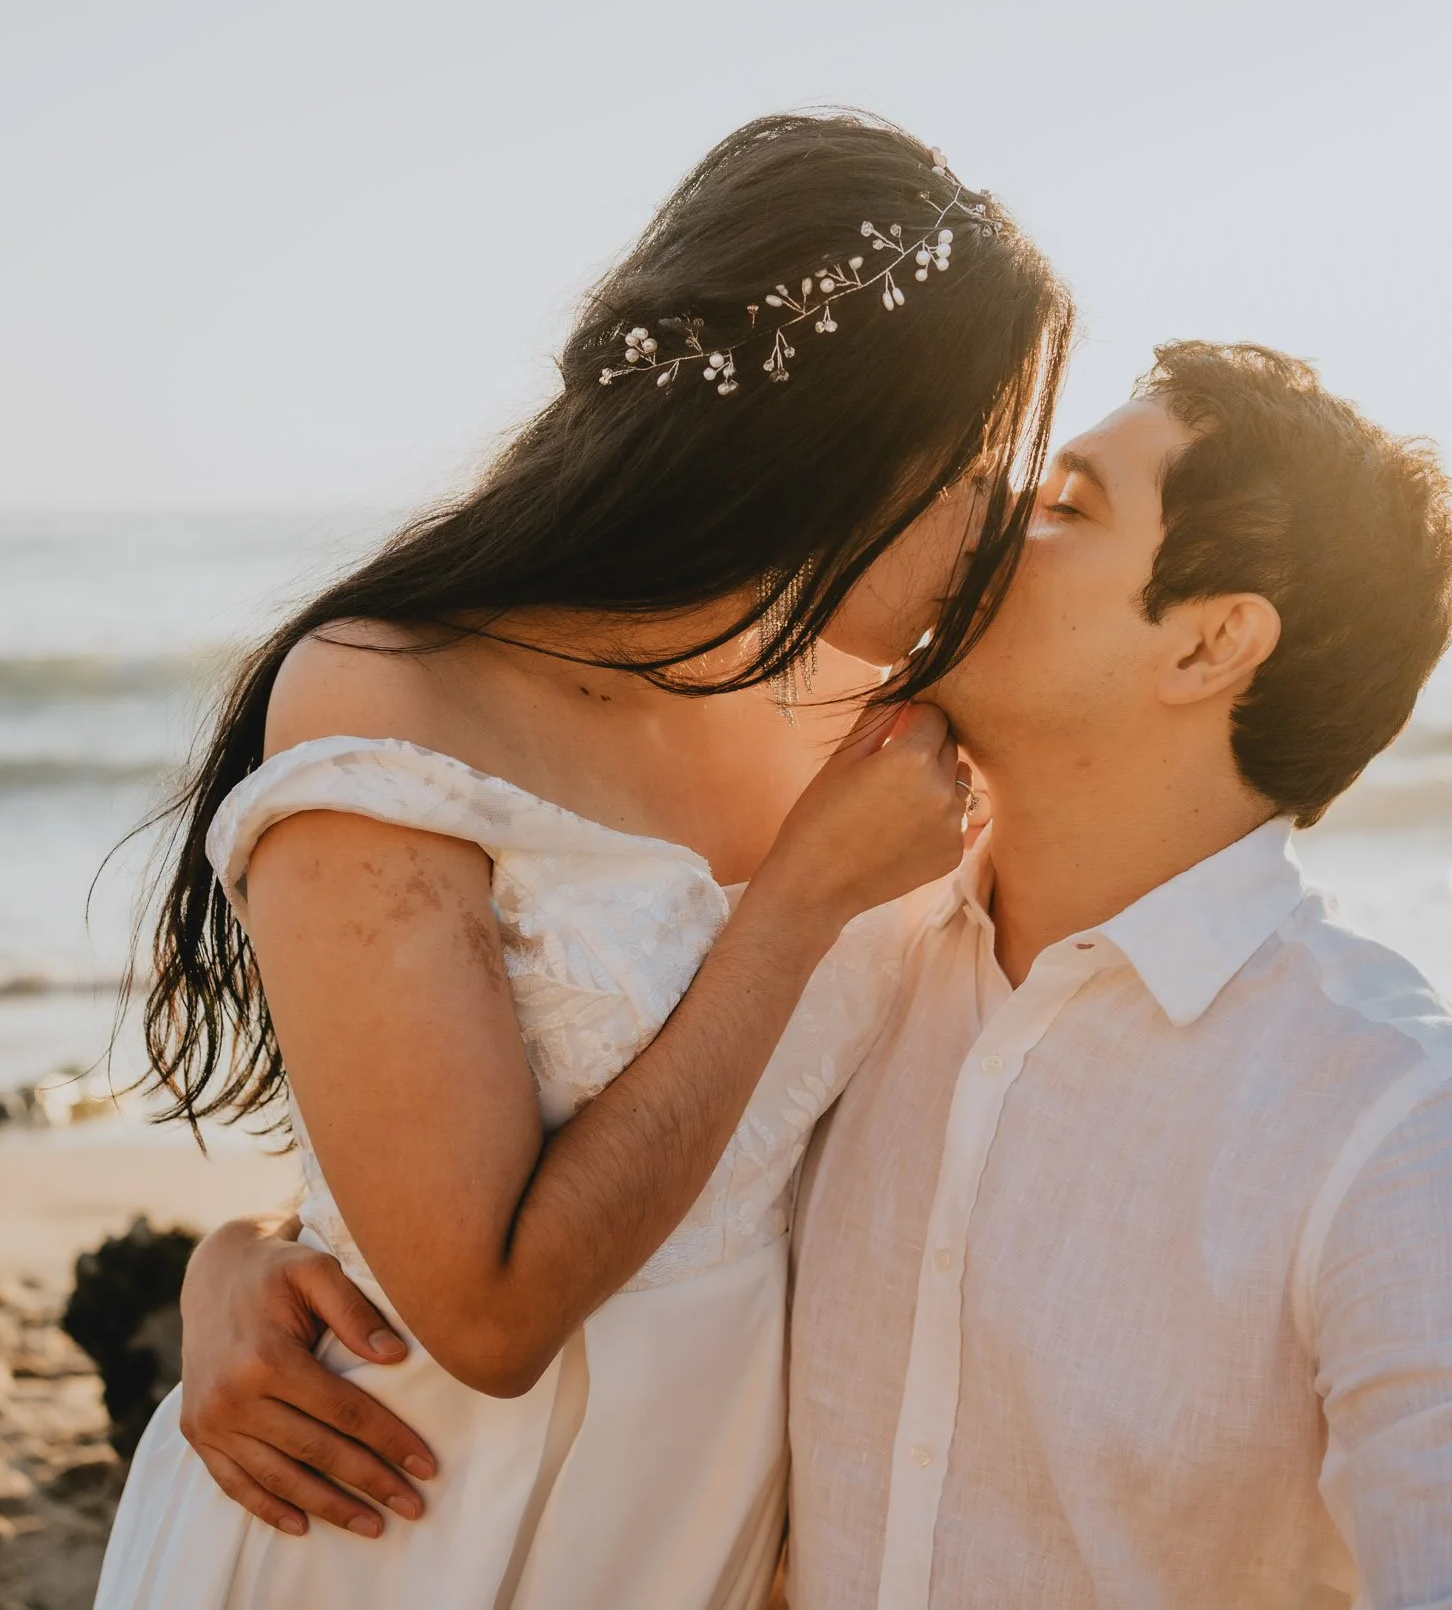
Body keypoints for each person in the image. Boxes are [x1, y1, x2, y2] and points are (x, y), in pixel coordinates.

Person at [184, 343, 1452, 1605]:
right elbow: (552, 1148)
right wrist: (251, 1254)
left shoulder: (1401, 1133)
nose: (988, 521)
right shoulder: (850, 948)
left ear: (1209, 641)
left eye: (1067, 506)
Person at [93, 110, 1073, 1610]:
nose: (995, 518)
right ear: (839, 446)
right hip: (412, 1514)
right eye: (980, 459)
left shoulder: (882, 725)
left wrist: (248, 1245)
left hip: (707, 1517)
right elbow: (486, 1308)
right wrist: (801, 896)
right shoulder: (390, 696)